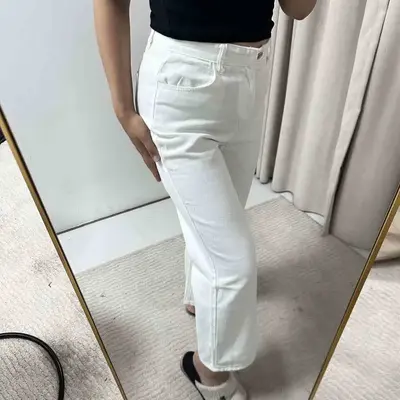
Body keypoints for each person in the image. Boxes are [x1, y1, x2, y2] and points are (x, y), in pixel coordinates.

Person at [94, 0, 316, 398]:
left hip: (252, 75)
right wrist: (123, 109)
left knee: (218, 226)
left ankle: (200, 298)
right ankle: (210, 375)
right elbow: (110, 4)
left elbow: (299, 9)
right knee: (233, 263)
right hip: (179, 86)